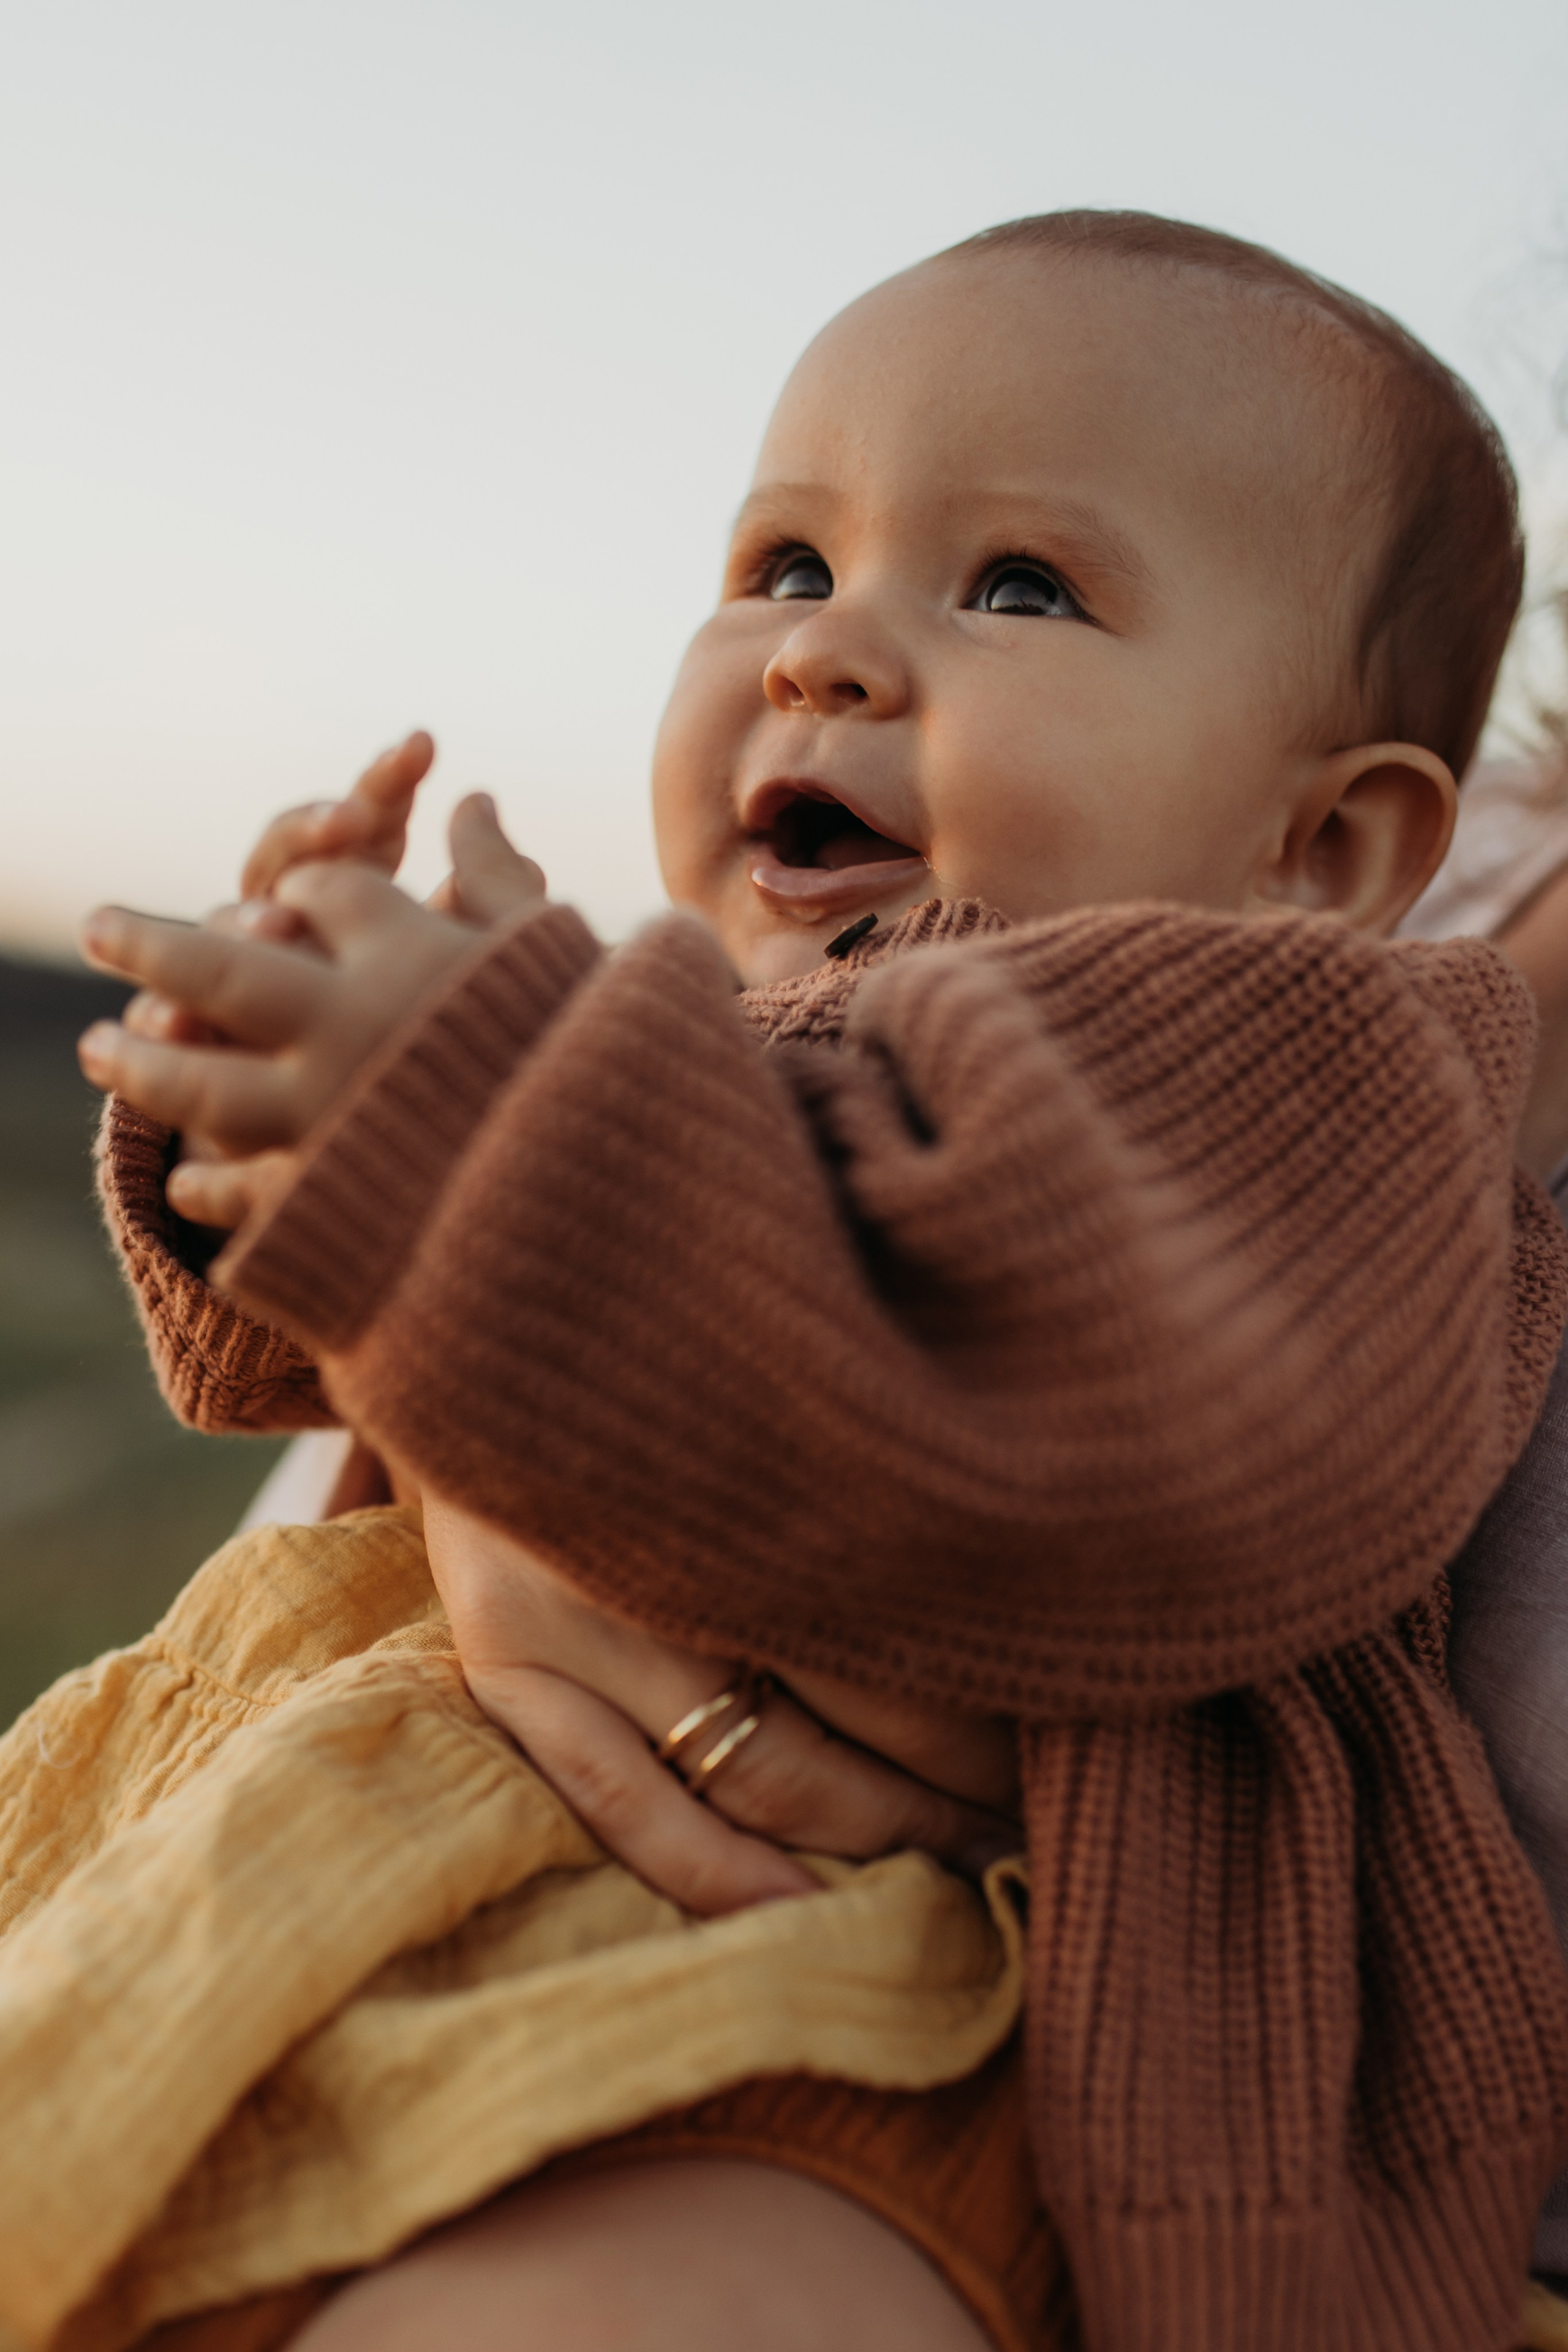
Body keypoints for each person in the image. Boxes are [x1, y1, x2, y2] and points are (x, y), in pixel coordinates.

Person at [28, 212, 1568, 2352]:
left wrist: (481, 1110)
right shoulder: (714, 1020)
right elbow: (287, 1371)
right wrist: (275, 1100)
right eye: (783, 565)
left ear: (1318, 855)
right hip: (316, 1898)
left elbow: (1163, 1444)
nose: (821, 653)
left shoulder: (1311, 1060)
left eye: (1020, 586)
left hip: (876, 2019)